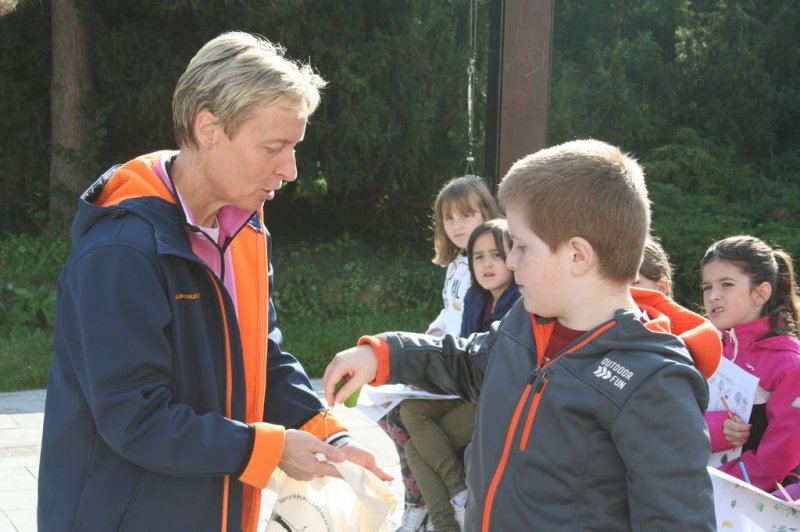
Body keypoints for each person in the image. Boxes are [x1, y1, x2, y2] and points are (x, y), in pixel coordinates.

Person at [37, 31, 388, 532]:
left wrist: (326, 435)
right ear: (208, 127)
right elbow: (135, 419)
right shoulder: (119, 254)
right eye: (275, 146)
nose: (290, 170)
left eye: (294, 147)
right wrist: (268, 449)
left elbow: (260, 356)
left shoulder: (247, 227)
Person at [324, 139, 722, 531]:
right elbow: (466, 359)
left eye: (520, 246)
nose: (510, 261)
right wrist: (385, 354)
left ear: (577, 256)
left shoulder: (654, 382)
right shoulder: (525, 323)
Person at [385, 175, 500, 532]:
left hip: (464, 372)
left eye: (466, 215)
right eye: (449, 218)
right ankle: (428, 508)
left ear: (488, 213)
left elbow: (470, 334)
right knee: (396, 418)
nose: (457, 225)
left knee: (406, 425)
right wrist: (432, 332)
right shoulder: (456, 265)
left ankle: (437, 508)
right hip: (447, 363)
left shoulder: (486, 270)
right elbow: (448, 314)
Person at [401, 218, 519, 531]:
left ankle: (449, 516)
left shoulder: (520, 300)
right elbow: (465, 356)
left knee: (416, 448)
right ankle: (458, 500)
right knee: (409, 410)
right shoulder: (475, 298)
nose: (487, 263)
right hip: (471, 392)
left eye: (496, 254)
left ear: (515, 257)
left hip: (498, 400)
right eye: (478, 257)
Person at [701, 235, 800, 492]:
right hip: (694, 491)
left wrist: (709, 484)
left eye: (726, 284)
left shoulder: (789, 364)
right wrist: (711, 430)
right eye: (707, 287)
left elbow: (776, 461)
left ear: (761, 293)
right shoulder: (704, 346)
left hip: (750, 508)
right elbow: (675, 420)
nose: (713, 296)